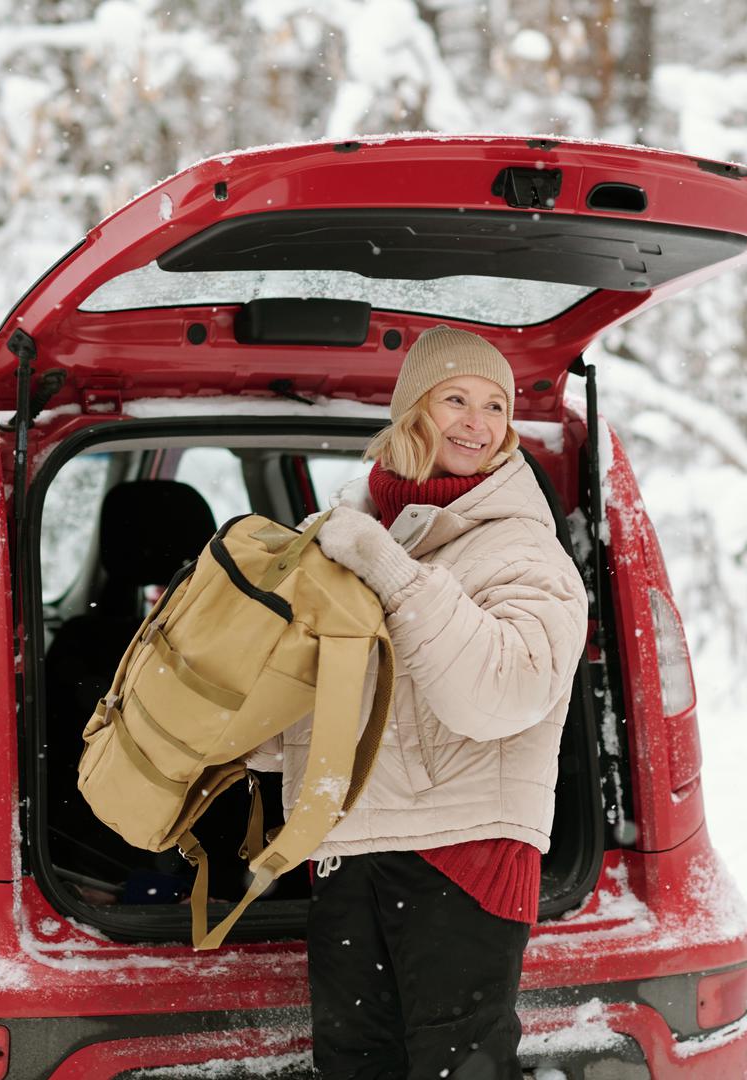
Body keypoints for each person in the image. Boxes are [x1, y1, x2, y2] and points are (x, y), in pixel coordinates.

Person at [246, 325, 588, 1079]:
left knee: (455, 1069)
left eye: (495, 406)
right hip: (350, 844)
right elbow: (340, 696)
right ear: (412, 414)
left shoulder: (523, 547)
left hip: (461, 851)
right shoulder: (359, 533)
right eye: (456, 399)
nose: (477, 422)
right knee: (355, 1065)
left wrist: (393, 574)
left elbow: (499, 696)